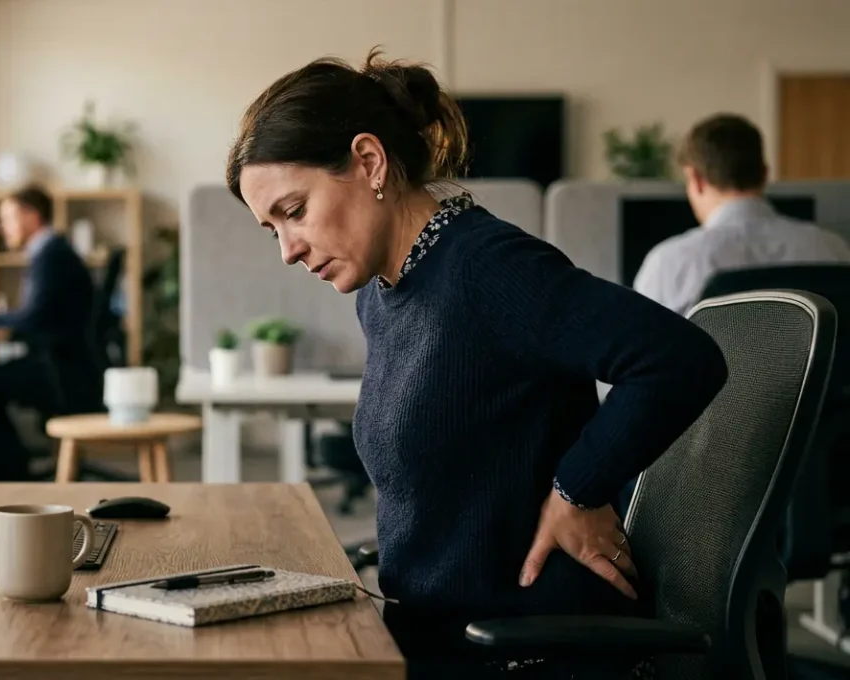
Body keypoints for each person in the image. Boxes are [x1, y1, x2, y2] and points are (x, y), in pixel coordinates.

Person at [226, 49, 729, 678]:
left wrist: (578, 486)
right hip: (430, 632)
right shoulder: (385, 294)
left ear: (369, 162)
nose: (287, 251)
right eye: (271, 229)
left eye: (293, 212)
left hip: (514, 649)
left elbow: (678, 358)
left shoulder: (489, 267)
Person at [633, 113, 850, 315]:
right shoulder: (833, 250)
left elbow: (640, 343)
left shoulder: (669, 263)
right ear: (764, 174)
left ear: (696, 179)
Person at [0, 185, 99, 480]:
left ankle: (9, 475)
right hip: (65, 364)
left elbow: (33, 317)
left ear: (31, 216)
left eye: (9, 217)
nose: (2, 228)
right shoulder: (53, 252)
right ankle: (13, 467)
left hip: (61, 371)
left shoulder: (52, 255)